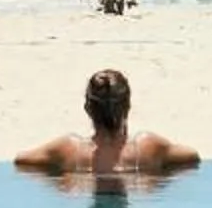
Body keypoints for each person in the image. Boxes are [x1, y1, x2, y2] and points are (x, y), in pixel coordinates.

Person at [13, 68, 200, 177]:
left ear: (87, 108)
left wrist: (53, 175)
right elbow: (193, 157)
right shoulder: (148, 146)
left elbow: (20, 160)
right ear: (128, 106)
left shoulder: (68, 149)